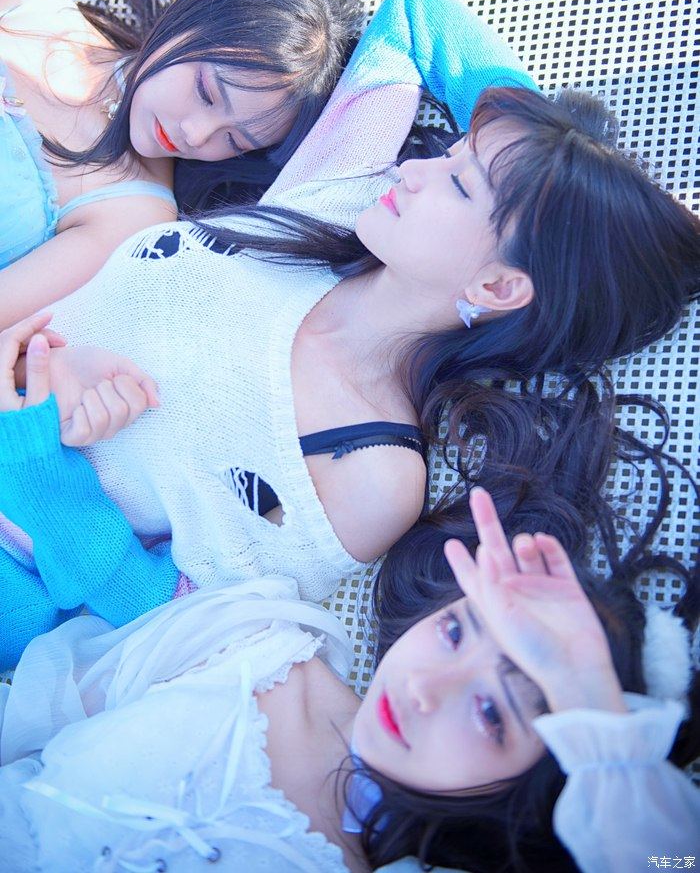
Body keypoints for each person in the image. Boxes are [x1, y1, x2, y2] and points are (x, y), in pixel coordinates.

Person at [13, 0, 695, 613]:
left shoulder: (372, 472)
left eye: (460, 184)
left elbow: (177, 616)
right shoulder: (341, 196)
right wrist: (549, 149)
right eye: (450, 154)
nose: (417, 169)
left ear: (496, 284)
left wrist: (36, 448)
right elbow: (416, 16)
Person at [0, 343, 697, 872]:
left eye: (492, 713)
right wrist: (33, 456)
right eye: (457, 631)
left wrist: (592, 708)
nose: (425, 688)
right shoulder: (264, 646)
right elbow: (122, 591)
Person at [0, 0, 362, 329]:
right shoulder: (40, 11)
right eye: (206, 92)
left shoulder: (133, 215)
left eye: (234, 140)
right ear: (190, 24)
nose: (195, 135)